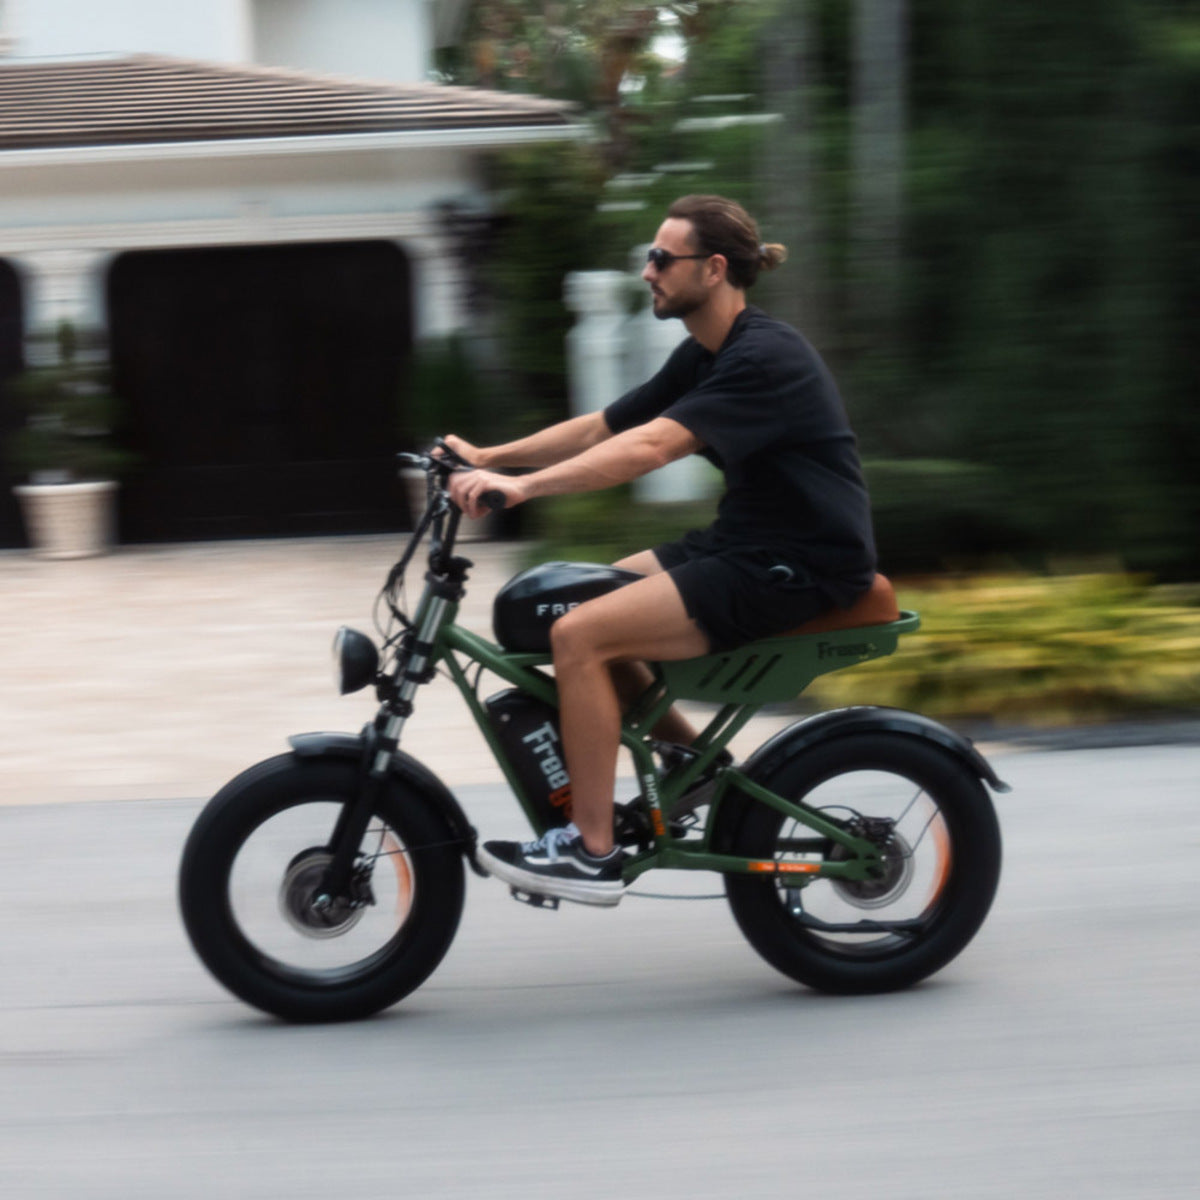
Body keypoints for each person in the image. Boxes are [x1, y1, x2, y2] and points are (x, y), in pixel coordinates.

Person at [445, 194, 877, 907]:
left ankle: (591, 851)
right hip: (745, 543)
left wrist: (519, 493)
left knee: (578, 636)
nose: (647, 271)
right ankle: (689, 760)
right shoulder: (706, 353)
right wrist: (488, 456)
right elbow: (604, 427)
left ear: (711, 269)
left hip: (797, 564)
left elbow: (648, 448)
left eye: (660, 258)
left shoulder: (762, 357)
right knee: (554, 601)